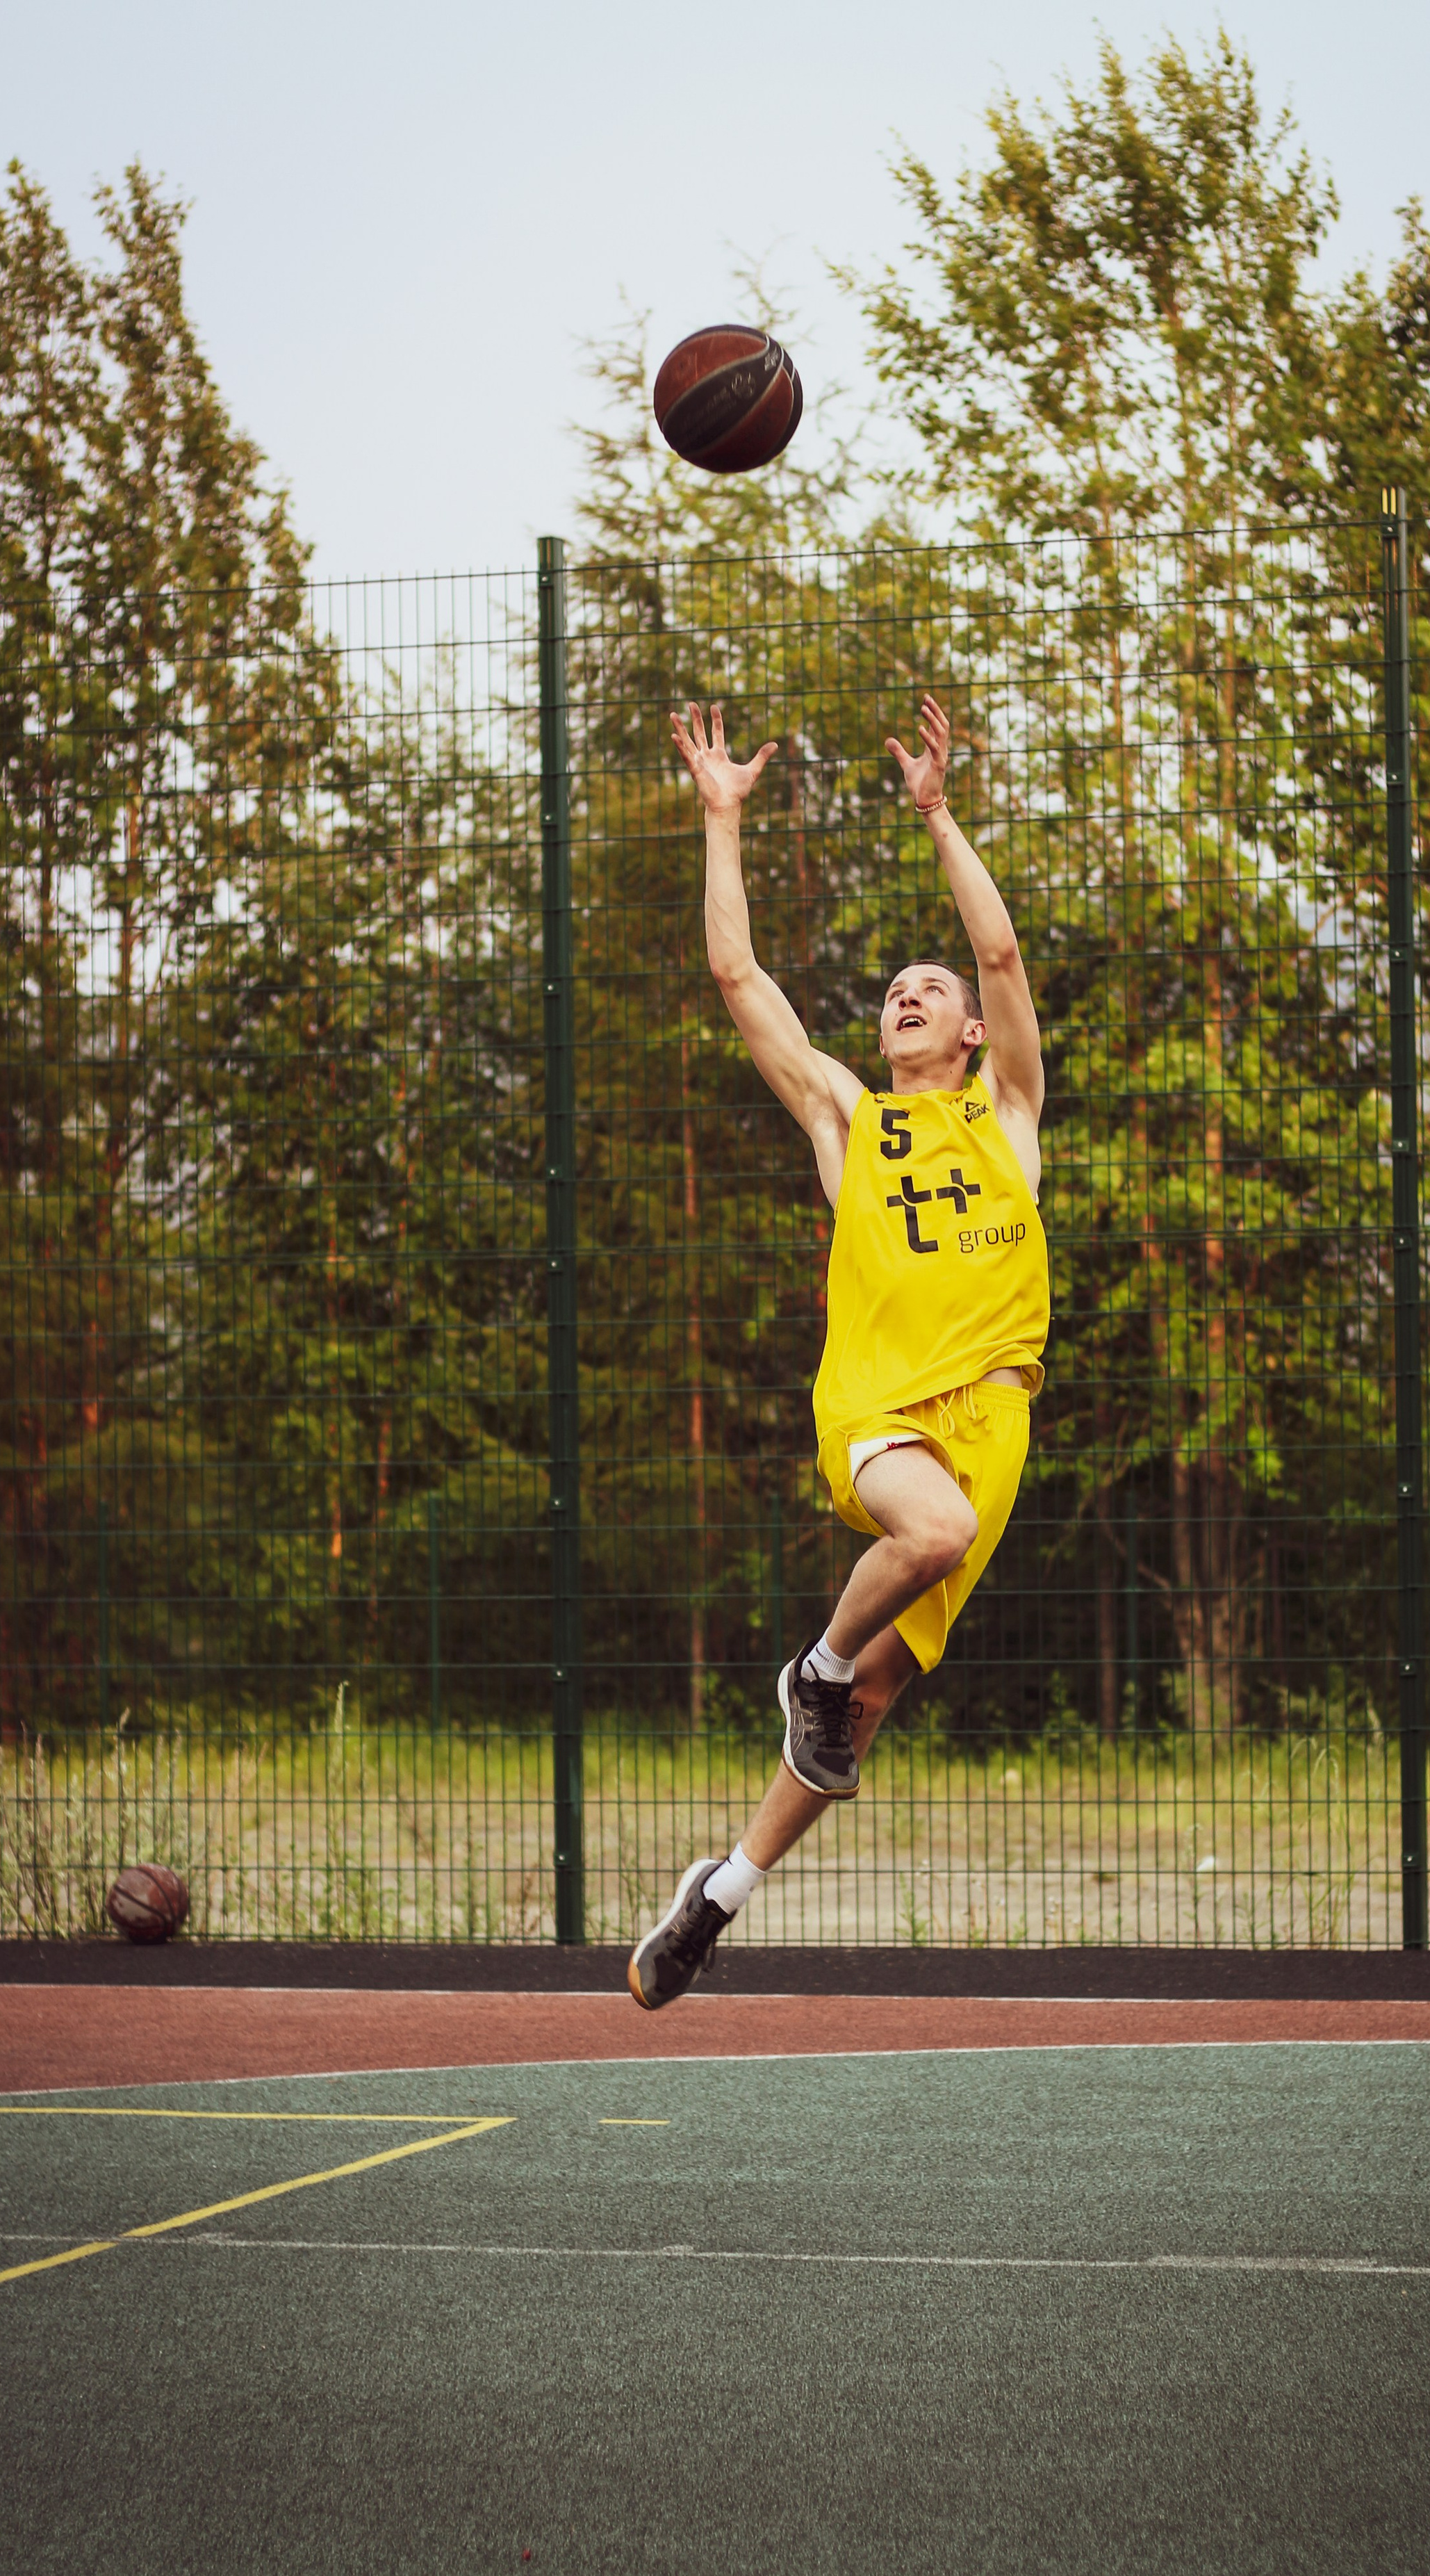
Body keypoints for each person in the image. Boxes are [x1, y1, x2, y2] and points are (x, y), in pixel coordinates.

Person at [627, 694, 1048, 2008]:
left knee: (864, 1716)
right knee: (920, 1540)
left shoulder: (1009, 1117)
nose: (912, 994)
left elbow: (1005, 951)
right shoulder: (848, 1120)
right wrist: (720, 823)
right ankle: (805, 1664)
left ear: (969, 1032)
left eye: (932, 989)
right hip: (876, 1403)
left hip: (996, 1418)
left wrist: (937, 814)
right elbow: (739, 981)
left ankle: (718, 1898)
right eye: (893, 991)